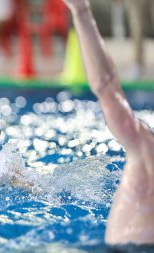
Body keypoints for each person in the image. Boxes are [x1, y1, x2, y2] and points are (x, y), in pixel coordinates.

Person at [63, 0, 154, 246]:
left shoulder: (144, 146)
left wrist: (81, 12)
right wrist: (81, 13)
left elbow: (107, 88)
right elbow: (107, 87)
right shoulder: (144, 146)